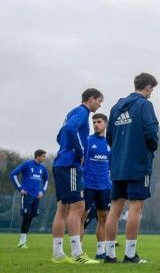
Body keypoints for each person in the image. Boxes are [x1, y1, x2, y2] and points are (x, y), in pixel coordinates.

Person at [104, 73, 159, 263]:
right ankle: (130, 254)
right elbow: (151, 131)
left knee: (114, 210)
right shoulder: (145, 105)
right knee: (136, 207)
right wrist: (151, 148)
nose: (151, 93)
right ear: (148, 87)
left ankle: (109, 255)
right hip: (138, 164)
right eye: (152, 89)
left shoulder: (116, 107)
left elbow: (109, 137)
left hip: (118, 165)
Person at [51, 88, 104, 264]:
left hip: (60, 163)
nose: (100, 104)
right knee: (78, 207)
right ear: (92, 98)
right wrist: (79, 151)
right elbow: (70, 129)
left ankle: (58, 254)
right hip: (70, 165)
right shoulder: (82, 112)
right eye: (99, 101)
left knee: (63, 209)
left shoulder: (72, 111)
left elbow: (61, 135)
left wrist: (65, 147)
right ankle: (77, 254)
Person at [81, 113, 112, 259]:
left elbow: (111, 166)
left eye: (99, 122)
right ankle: (78, 251)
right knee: (82, 217)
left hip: (105, 186)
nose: (95, 124)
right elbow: (80, 161)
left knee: (103, 218)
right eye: (93, 122)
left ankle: (100, 251)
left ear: (105, 123)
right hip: (88, 185)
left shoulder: (109, 143)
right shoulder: (87, 141)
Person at [10, 149, 48, 249]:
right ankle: (21, 242)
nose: (45, 158)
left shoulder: (43, 168)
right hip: (27, 196)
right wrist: (20, 188)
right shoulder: (27, 164)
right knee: (26, 216)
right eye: (43, 156)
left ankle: (24, 241)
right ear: (38, 156)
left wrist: (42, 191)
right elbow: (13, 174)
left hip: (36, 197)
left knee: (30, 217)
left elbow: (46, 180)